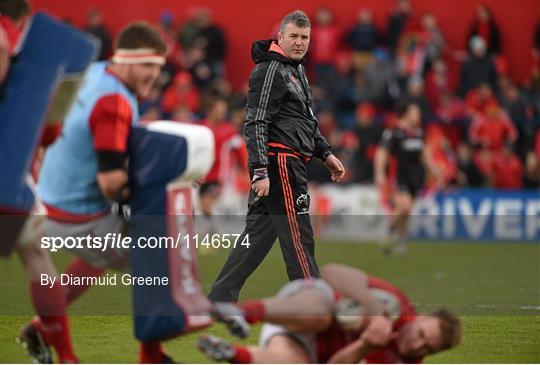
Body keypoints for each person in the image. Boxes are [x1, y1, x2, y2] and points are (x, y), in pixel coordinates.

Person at [25, 22, 172, 364]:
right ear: (126, 60)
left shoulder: (93, 73)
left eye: (159, 67)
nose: (154, 75)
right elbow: (110, 183)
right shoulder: (116, 102)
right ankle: (151, 356)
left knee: (99, 259)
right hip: (79, 214)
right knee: (158, 260)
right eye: (148, 65)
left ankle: (42, 331)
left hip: (45, 198)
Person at [207, 10, 345, 302]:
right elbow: (256, 120)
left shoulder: (296, 69)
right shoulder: (271, 69)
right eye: (293, 36)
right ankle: (314, 300)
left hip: (287, 160)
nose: (299, 42)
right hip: (279, 162)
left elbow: (304, 119)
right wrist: (259, 170)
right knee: (298, 235)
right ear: (280, 37)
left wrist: (325, 152)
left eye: (304, 37)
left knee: (257, 237)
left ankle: (220, 297)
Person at [199, 263, 462, 363]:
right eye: (421, 334)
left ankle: (232, 354)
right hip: (307, 303)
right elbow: (332, 272)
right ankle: (242, 312)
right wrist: (372, 309)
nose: (417, 344)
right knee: (321, 315)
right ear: (422, 318)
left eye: (426, 348)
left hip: (309, 352)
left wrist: (365, 345)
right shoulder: (398, 305)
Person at [374, 101, 438, 255]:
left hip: (415, 177)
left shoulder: (418, 133)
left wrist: (434, 170)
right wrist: (379, 173)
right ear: (406, 114)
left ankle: (400, 242)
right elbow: (381, 153)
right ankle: (387, 231)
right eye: (415, 113)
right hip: (398, 175)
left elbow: (424, 155)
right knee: (404, 206)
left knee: (407, 212)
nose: (418, 116)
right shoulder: (393, 132)